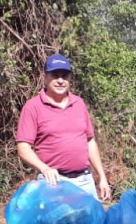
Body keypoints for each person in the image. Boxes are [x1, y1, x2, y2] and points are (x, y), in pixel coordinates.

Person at [16, 53, 111, 200]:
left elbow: (89, 141)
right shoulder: (33, 107)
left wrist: (102, 177)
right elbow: (23, 147)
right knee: (56, 223)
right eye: (55, 75)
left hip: (84, 181)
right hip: (53, 183)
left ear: (70, 78)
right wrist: (44, 168)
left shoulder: (79, 103)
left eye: (64, 76)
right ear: (45, 77)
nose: (60, 80)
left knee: (92, 223)